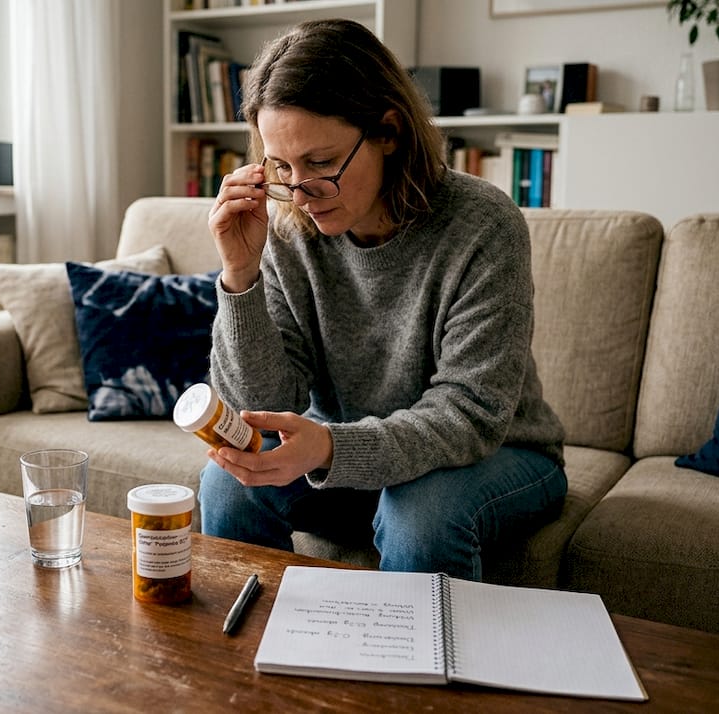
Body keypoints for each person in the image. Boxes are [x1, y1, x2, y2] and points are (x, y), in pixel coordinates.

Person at [199, 18, 567, 581]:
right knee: (226, 485)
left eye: (321, 163)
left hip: (496, 453)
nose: (299, 190)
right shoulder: (290, 228)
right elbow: (263, 404)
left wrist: (329, 449)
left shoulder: (484, 225)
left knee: (422, 514)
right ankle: (257, 661)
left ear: (388, 132)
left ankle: (407, 670)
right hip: (349, 451)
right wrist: (240, 274)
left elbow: (470, 414)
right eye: (282, 166)